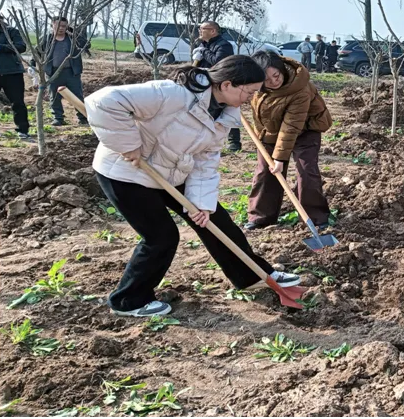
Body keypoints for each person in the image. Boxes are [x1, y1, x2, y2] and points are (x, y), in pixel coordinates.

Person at [85, 56, 301, 318]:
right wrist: (128, 144)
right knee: (161, 236)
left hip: (171, 171)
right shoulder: (172, 94)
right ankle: (128, 300)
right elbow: (103, 101)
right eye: (249, 92)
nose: (251, 99)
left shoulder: (223, 116)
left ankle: (252, 275)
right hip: (128, 173)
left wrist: (201, 205)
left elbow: (205, 161)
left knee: (214, 221)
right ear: (227, 84)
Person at [245, 51, 333, 230]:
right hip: (271, 130)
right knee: (265, 171)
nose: (273, 82)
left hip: (306, 129)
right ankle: (261, 217)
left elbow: (291, 126)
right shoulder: (254, 87)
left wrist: (279, 158)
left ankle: (315, 218)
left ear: (281, 69)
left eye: (276, 75)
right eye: (266, 80)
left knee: (306, 170)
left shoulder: (299, 88)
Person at [193, 21, 241, 152]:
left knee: (227, 111)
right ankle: (204, 142)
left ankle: (234, 142)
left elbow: (218, 62)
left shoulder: (224, 45)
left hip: (221, 85)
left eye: (202, 28)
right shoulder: (203, 44)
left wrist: (204, 52)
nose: (199, 31)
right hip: (204, 84)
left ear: (213, 31)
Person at [40, 16, 87, 126]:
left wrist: (74, 33)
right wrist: (33, 65)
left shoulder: (72, 39)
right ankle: (58, 118)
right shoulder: (47, 39)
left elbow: (86, 44)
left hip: (71, 72)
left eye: (64, 26)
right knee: (54, 96)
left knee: (77, 95)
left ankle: (83, 118)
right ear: (52, 25)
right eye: (58, 25)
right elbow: (38, 51)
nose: (61, 28)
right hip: (53, 72)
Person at [0, 12, 31, 139]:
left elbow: (21, 46)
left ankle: (23, 130)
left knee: (17, 102)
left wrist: (0, 47)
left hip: (12, 72)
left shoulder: (10, 31)